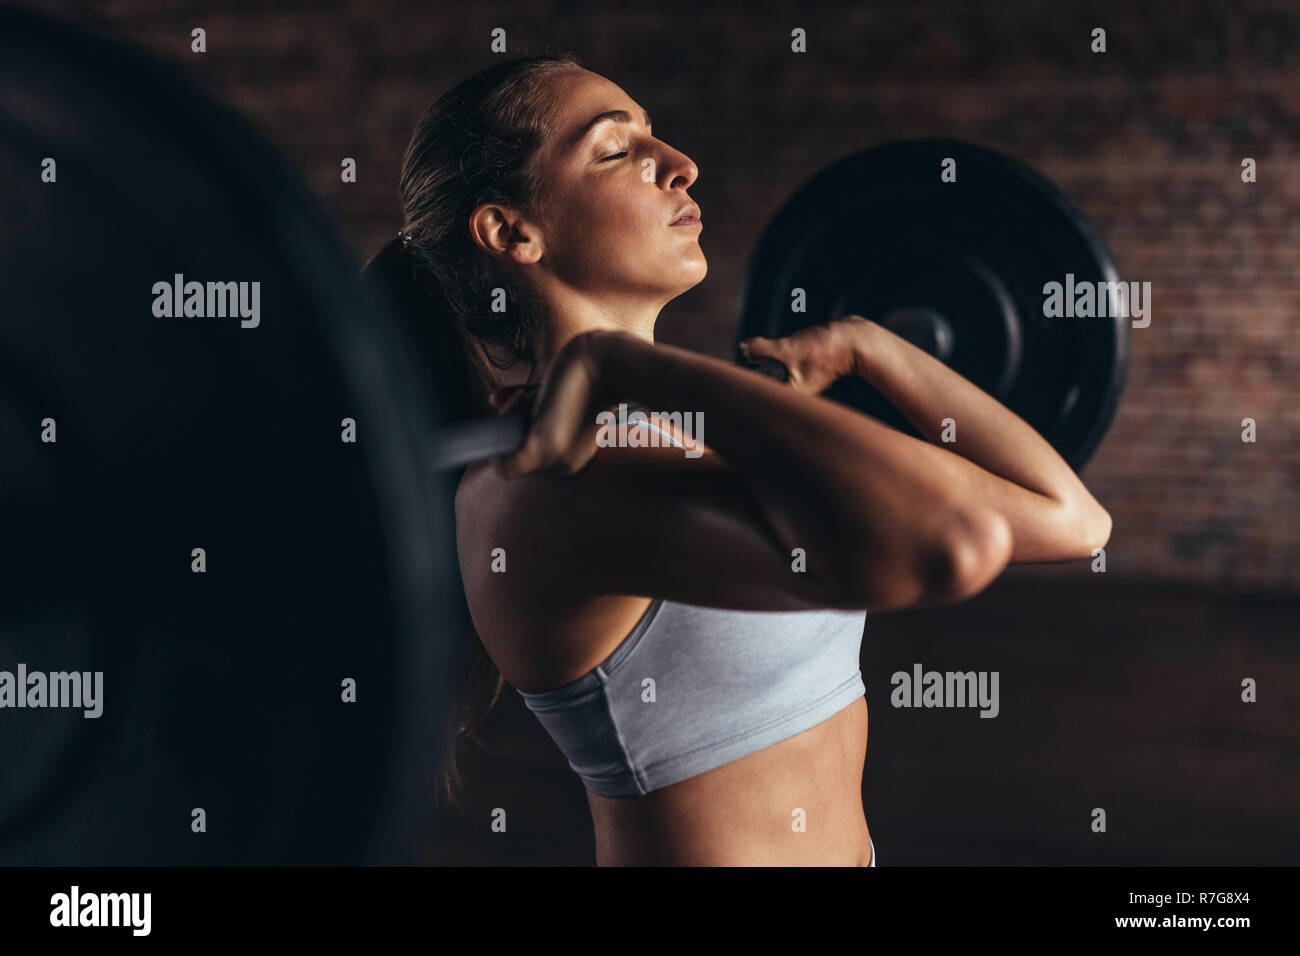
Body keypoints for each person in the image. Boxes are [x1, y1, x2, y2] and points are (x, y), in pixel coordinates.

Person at [363, 52, 1111, 866]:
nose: (681, 166)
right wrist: (627, 369)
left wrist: (871, 345)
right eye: (617, 150)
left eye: (657, 137)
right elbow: (950, 544)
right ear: (513, 232)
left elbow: (1071, 520)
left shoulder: (682, 437)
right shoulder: (540, 487)